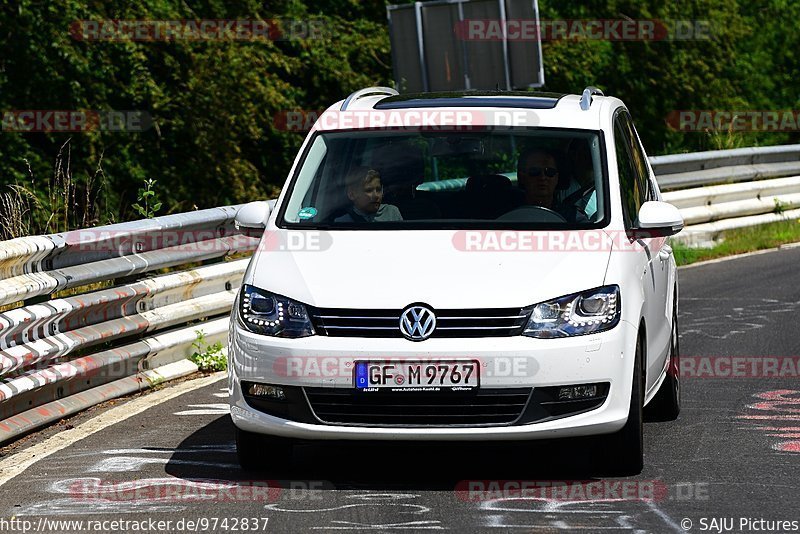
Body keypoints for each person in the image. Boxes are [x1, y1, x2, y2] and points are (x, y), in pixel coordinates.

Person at [516, 147, 588, 223]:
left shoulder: (572, 217)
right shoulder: (507, 212)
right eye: (535, 171)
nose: (543, 177)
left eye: (550, 172)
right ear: (522, 177)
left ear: (557, 177)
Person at [334, 167, 403, 223]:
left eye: (378, 190)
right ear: (352, 194)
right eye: (368, 190)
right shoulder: (342, 222)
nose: (376, 195)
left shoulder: (392, 213)